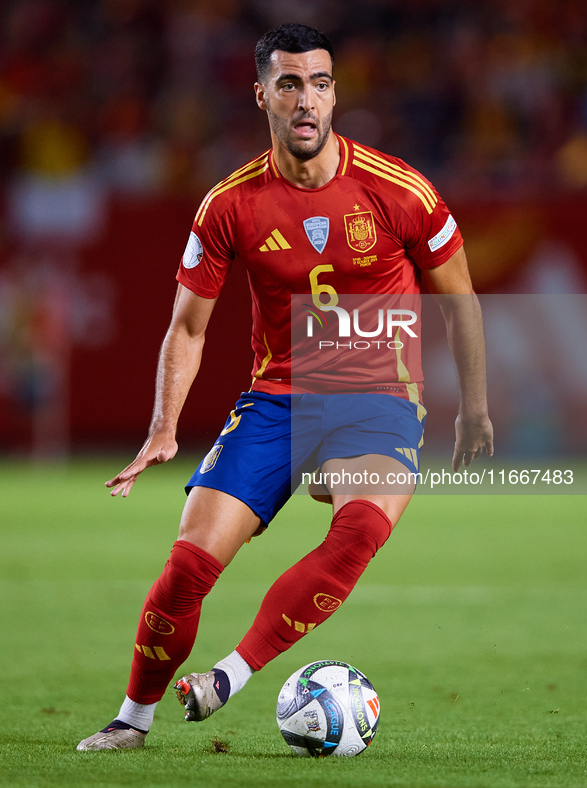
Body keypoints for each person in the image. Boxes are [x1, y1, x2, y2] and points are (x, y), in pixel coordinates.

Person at [77, 23, 493, 751]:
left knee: (361, 526)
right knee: (188, 567)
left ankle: (229, 677)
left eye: (321, 83)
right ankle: (131, 720)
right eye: (292, 84)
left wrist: (476, 411)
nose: (308, 100)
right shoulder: (229, 204)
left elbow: (459, 300)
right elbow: (187, 328)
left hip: (376, 404)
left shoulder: (399, 190)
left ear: (335, 95)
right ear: (262, 93)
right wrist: (163, 426)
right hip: (276, 402)